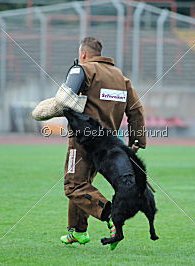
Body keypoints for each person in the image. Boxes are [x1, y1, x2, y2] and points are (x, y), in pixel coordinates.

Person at [33, 37, 146, 250]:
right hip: (109, 144)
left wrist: (44, 111)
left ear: (83, 54)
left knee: (73, 185)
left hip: (83, 141)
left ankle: (110, 213)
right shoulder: (121, 77)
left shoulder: (82, 70)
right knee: (82, 182)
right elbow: (136, 110)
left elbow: (65, 98)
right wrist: (137, 141)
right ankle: (78, 232)